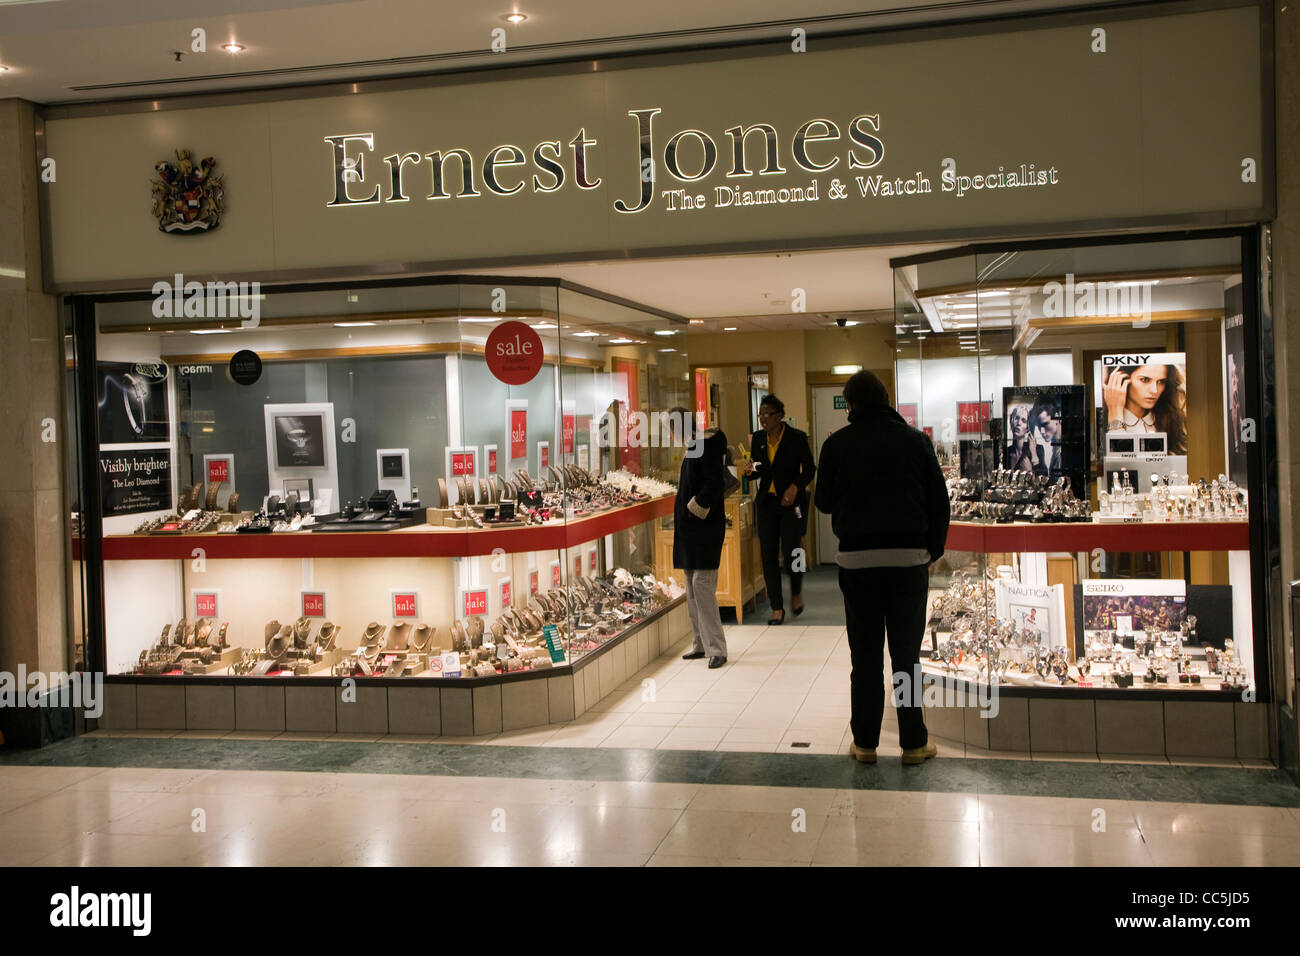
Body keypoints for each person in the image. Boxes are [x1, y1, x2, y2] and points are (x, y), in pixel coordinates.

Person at [815, 370, 950, 766]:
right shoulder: (916, 441)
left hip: (857, 565)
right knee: (906, 655)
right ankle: (912, 743)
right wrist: (932, 551)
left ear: (852, 404)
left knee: (866, 657)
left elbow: (822, 502)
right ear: (886, 399)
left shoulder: (837, 445)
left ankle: (866, 743)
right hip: (908, 562)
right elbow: (939, 502)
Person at [742, 394, 816, 624]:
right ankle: (777, 607)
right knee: (768, 555)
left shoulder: (796, 438)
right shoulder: (758, 439)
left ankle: (796, 590)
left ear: (780, 415)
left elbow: (809, 469)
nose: (763, 418)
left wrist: (796, 486)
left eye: (768, 414)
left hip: (790, 504)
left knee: (794, 552)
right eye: (760, 414)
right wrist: (749, 470)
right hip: (767, 504)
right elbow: (758, 469)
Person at [671, 407, 730, 669]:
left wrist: (695, 506)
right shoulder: (694, 446)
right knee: (691, 585)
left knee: (702, 585)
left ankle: (717, 648)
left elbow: (714, 482)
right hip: (691, 531)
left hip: (703, 529)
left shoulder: (703, 446)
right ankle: (700, 643)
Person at [1102, 362, 1188, 455]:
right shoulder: (1104, 419)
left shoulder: (1173, 418)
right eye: (1145, 380)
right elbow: (1119, 464)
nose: (1154, 390)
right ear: (1120, 380)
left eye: (1161, 382)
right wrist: (1115, 413)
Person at [1004, 404, 1041, 473]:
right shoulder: (1006, 452)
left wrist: (1034, 456)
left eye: (1023, 420)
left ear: (1028, 427)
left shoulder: (1038, 450)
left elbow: (1044, 478)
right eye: (1016, 418)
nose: (1018, 423)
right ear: (1011, 421)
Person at [1030, 400, 1062, 472]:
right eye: (1039, 426)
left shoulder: (1061, 452)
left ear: (1056, 418)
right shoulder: (1056, 447)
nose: (1042, 431)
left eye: (1045, 424)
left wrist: (1035, 458)